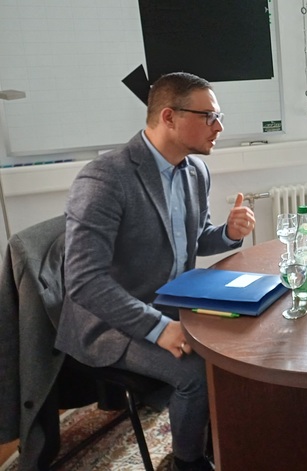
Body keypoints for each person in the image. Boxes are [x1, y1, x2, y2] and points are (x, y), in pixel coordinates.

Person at [56, 72, 255, 471]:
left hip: (168, 301)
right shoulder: (106, 178)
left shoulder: (194, 171)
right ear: (169, 116)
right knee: (197, 372)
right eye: (210, 117)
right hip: (109, 322)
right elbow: (84, 279)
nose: (220, 127)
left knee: (240, 340)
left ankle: (222, 439)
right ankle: (187, 462)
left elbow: (194, 239)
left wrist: (229, 234)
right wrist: (159, 328)